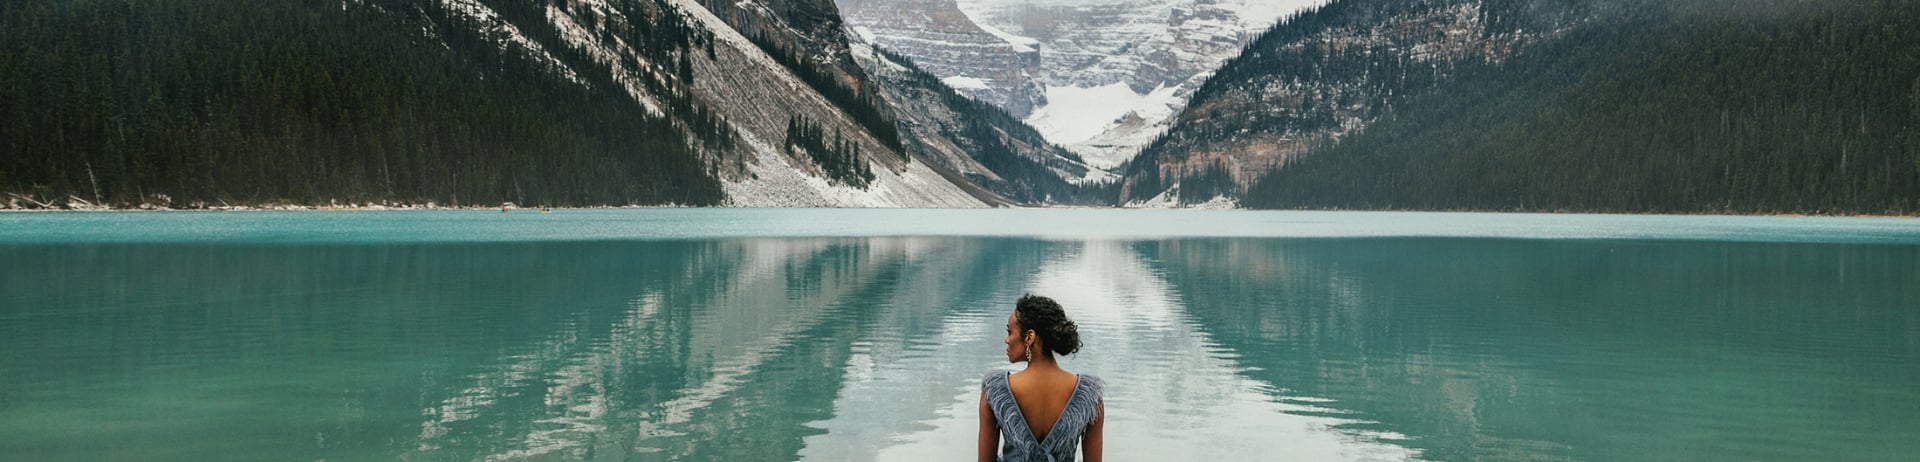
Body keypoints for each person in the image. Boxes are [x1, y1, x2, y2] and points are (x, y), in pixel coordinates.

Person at [979, 294, 1103, 462]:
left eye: (1010, 332)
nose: (1006, 340)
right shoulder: (1090, 395)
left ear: (1029, 337)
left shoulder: (995, 390)